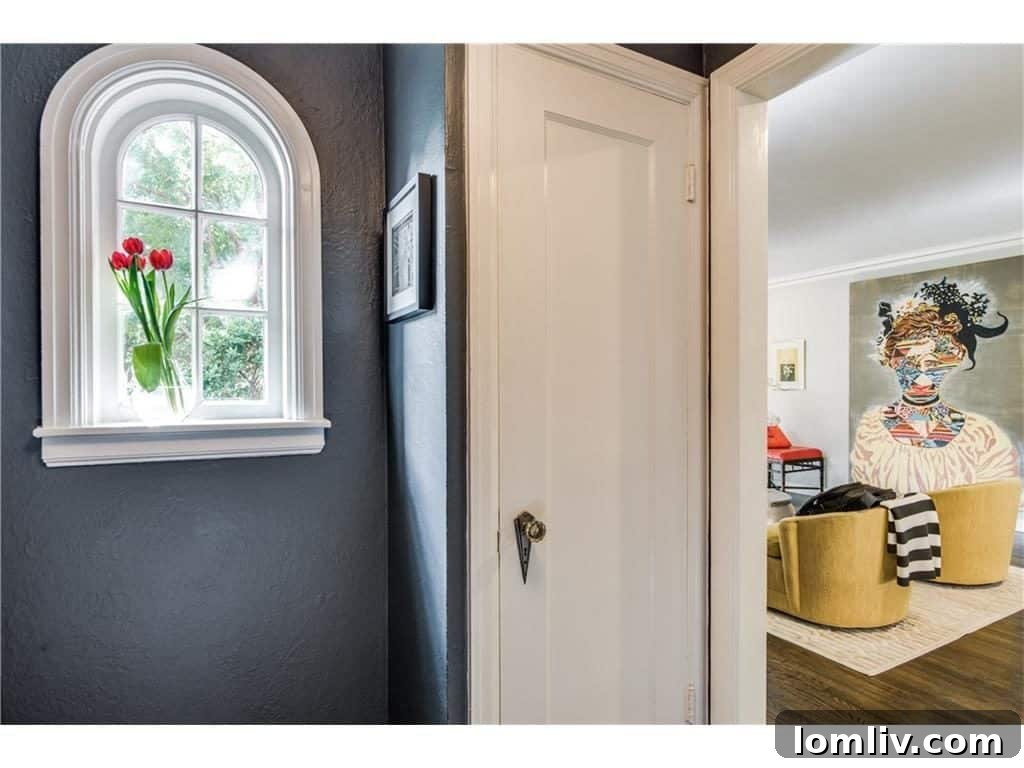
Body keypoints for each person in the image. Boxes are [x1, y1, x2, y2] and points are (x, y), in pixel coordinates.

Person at [850, 277, 1019, 494]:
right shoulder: (872, 428)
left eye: (933, 364)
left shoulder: (981, 435)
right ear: (892, 361)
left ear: (954, 360)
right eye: (909, 363)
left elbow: (998, 499)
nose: (922, 379)